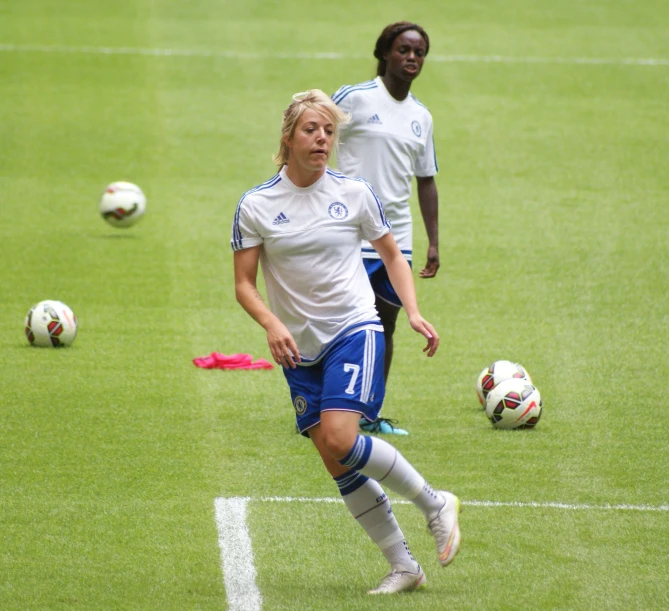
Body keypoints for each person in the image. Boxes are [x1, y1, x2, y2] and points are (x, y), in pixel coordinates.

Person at [231, 89, 460, 594]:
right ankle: (404, 565)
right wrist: (271, 323)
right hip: (299, 349)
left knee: (340, 436)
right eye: (312, 130)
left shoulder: (354, 193)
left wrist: (414, 311)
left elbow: (394, 254)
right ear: (288, 137)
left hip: (354, 328)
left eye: (330, 132)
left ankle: (433, 501)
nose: (322, 139)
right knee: (336, 460)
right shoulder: (257, 205)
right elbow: (244, 283)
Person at [332, 21, 439, 436]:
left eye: (419, 52)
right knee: (341, 320)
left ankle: (369, 413)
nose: (412, 58)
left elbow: (426, 179)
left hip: (396, 238)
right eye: (404, 50)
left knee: (386, 324)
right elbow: (312, 133)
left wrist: (433, 242)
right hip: (349, 231)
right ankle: (327, 407)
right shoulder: (355, 98)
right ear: (385, 54)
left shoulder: (421, 117)